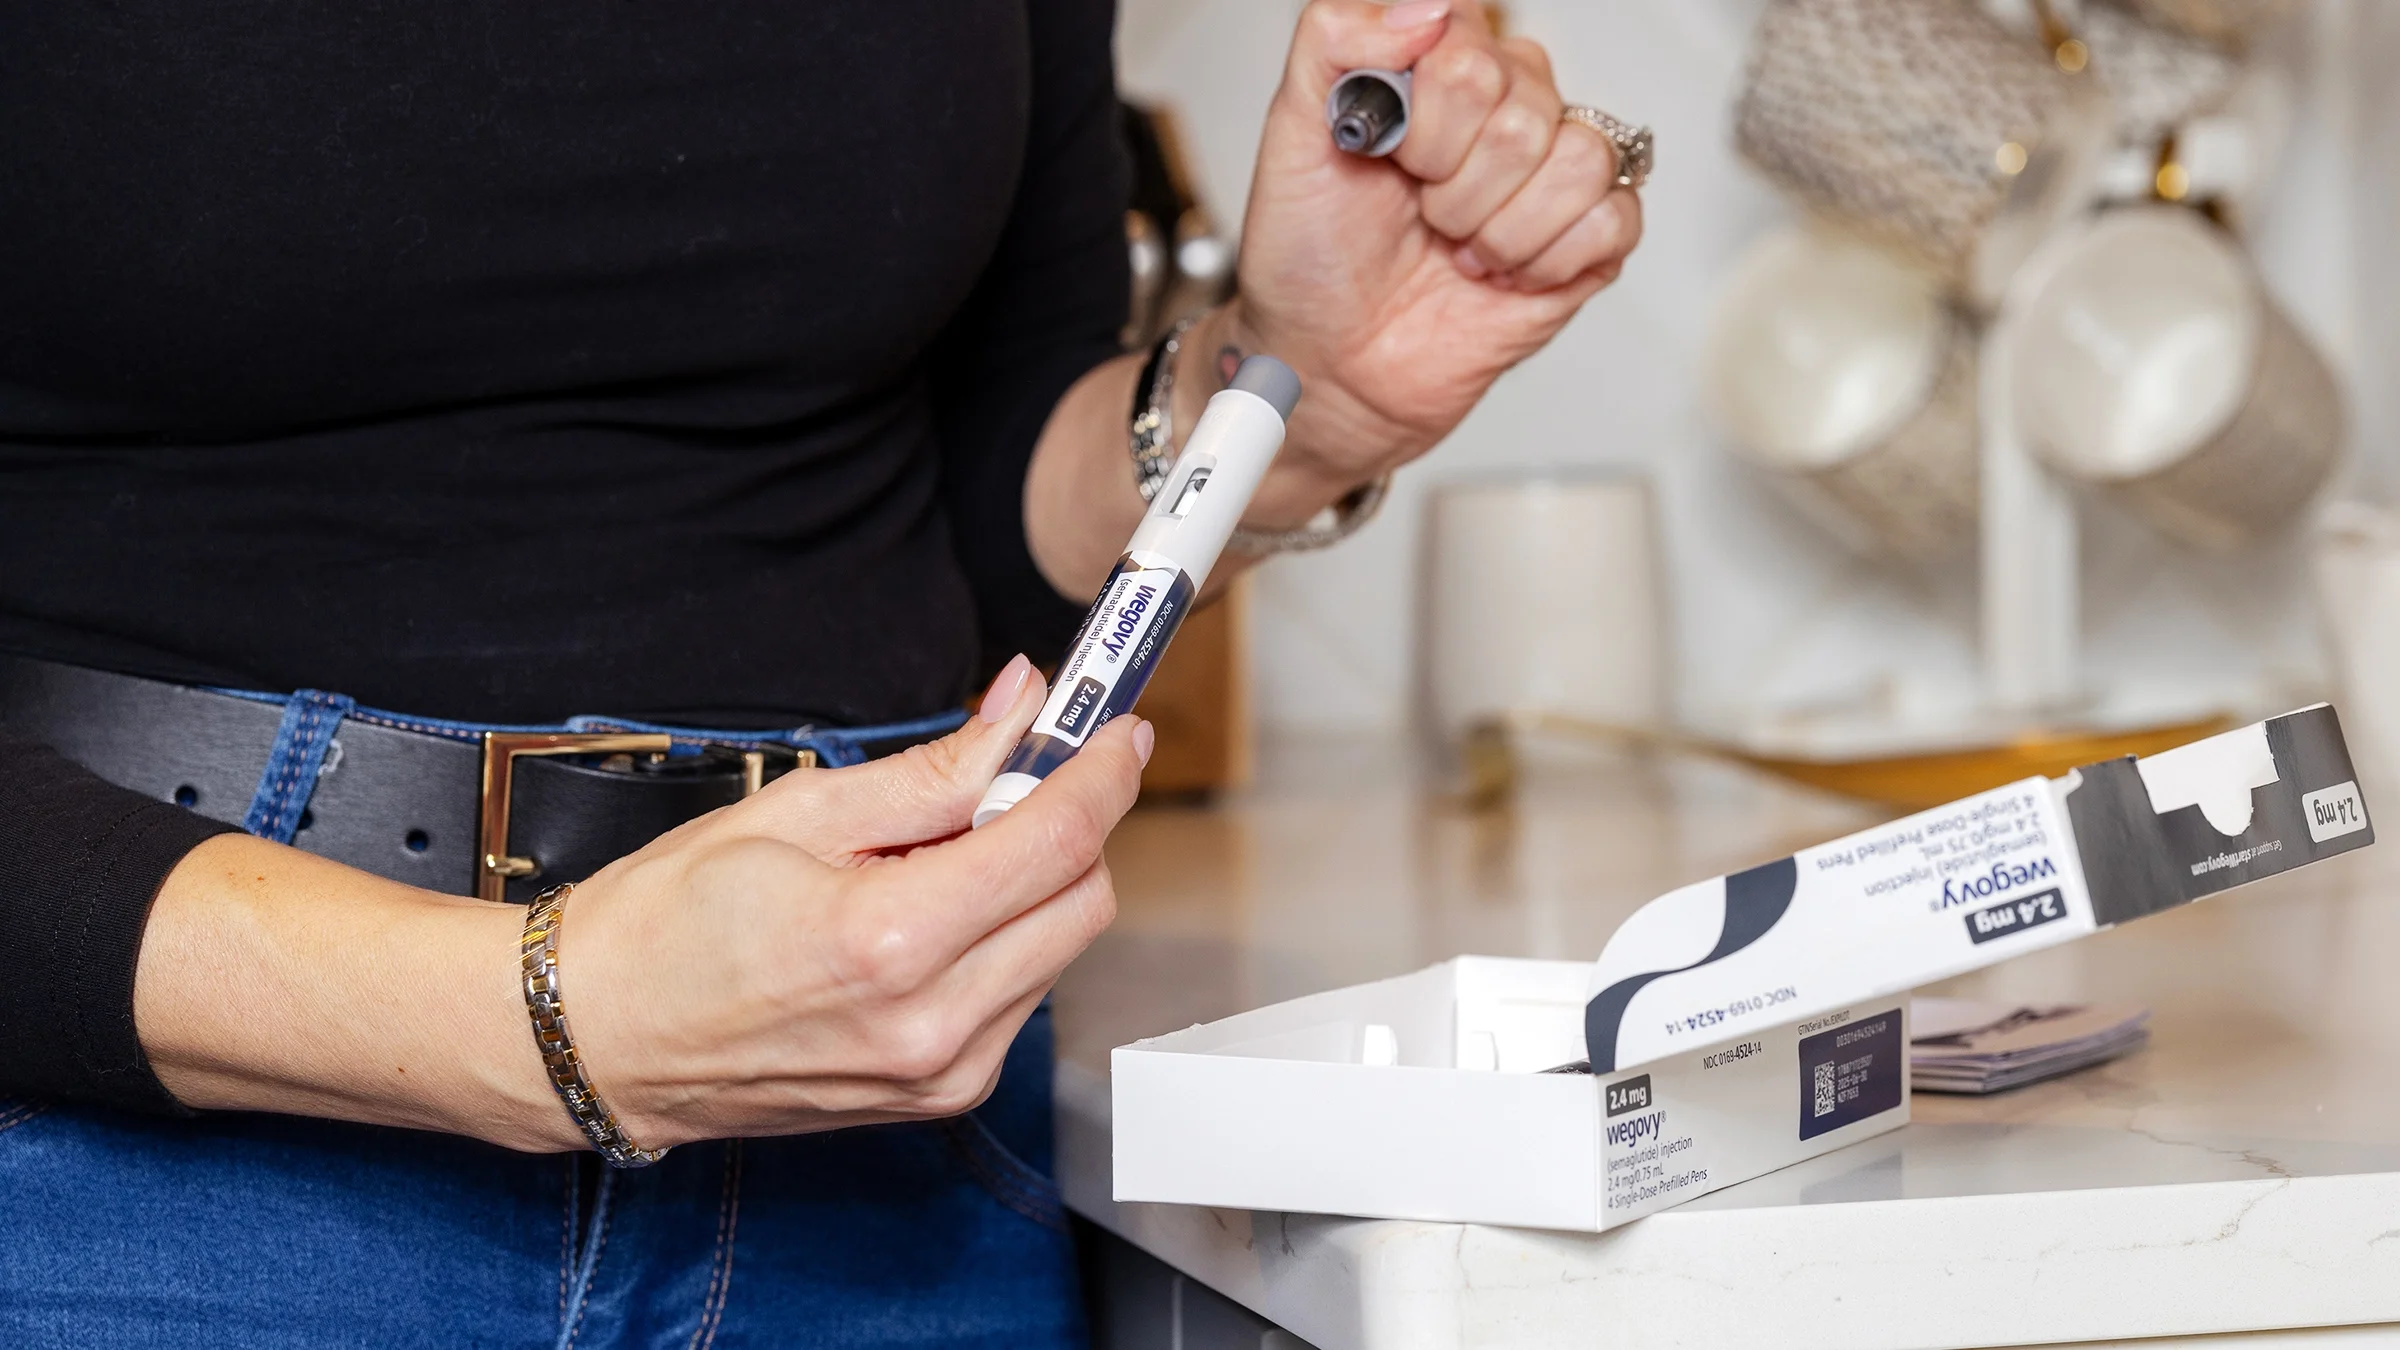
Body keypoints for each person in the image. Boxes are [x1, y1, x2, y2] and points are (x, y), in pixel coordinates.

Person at [0, 0, 1644, 1343]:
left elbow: (967, 494)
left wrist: (1282, 405)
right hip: (152, 1168)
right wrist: (552, 1020)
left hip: (894, 1169)